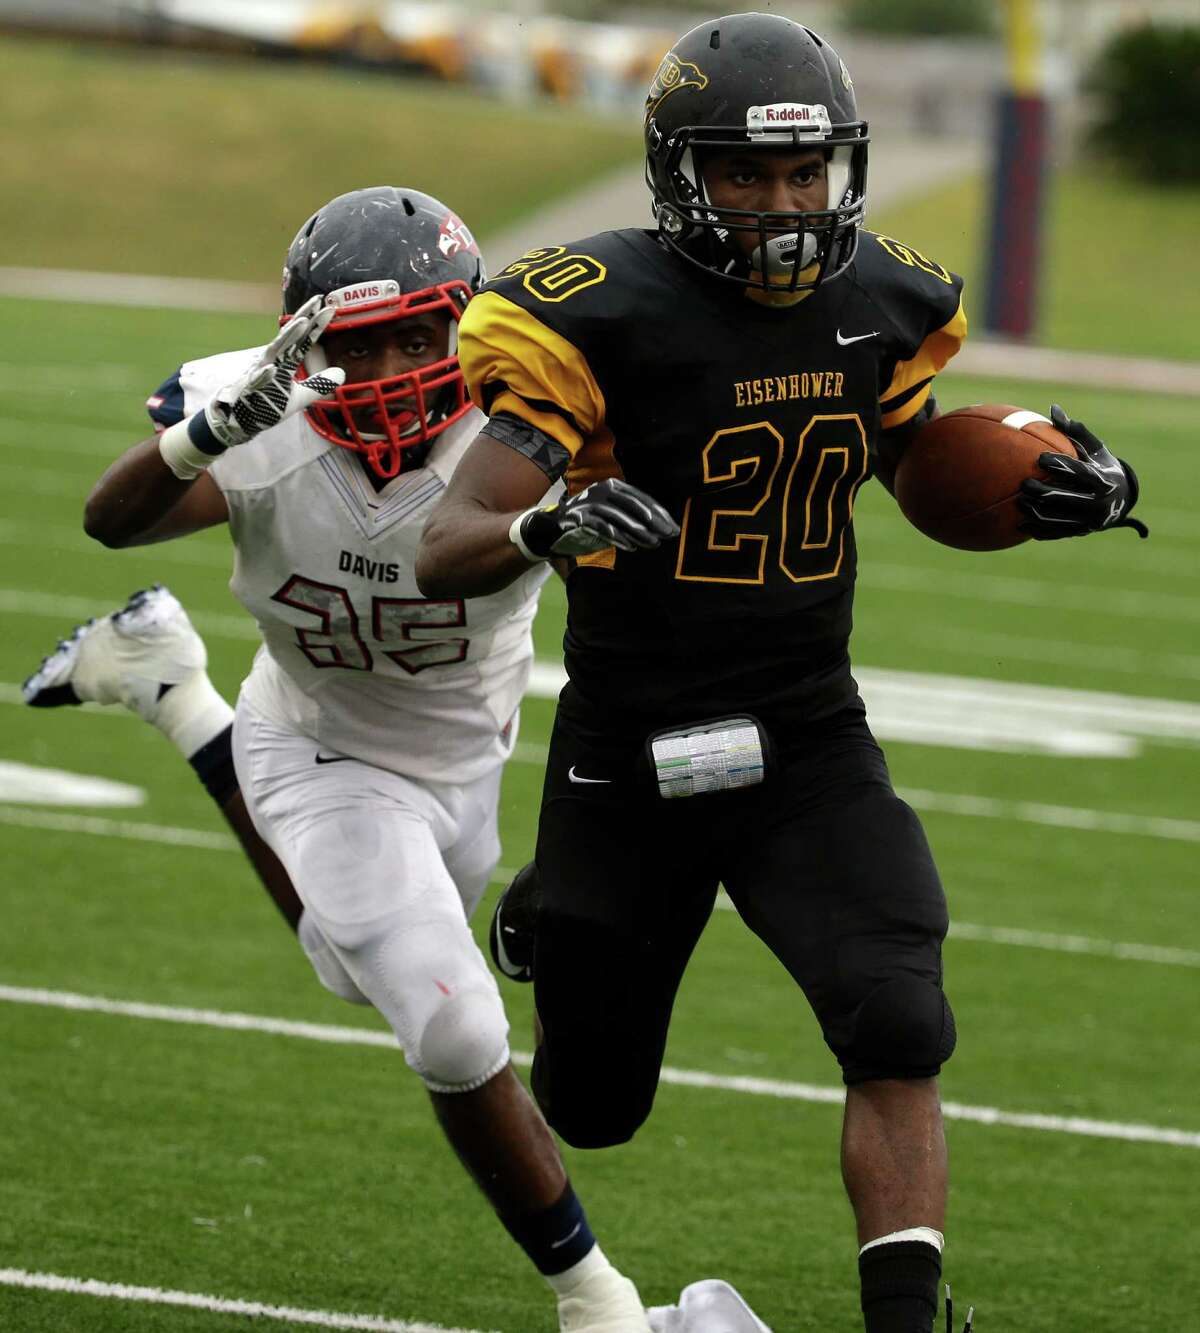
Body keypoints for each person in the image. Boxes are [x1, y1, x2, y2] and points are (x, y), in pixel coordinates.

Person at [413, 13, 1147, 1333]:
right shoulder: (599, 313)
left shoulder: (880, 300)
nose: (782, 203)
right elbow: (446, 542)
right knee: (594, 1105)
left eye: (804, 174)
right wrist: (545, 524)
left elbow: (917, 467)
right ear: (679, 174)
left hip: (807, 734)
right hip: (631, 750)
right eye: (744, 173)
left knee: (899, 1016)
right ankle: (549, 915)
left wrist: (1031, 483)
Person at [23, 185, 660, 1333]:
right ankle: (597, 1299)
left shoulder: (522, 424)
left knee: (344, 964)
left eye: (421, 335)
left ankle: (170, 688)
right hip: (316, 743)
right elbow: (111, 519)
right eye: (358, 344)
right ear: (302, 345)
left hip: (466, 759)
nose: (392, 369)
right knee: (456, 1028)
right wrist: (202, 433)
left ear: (467, 324)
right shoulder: (253, 414)